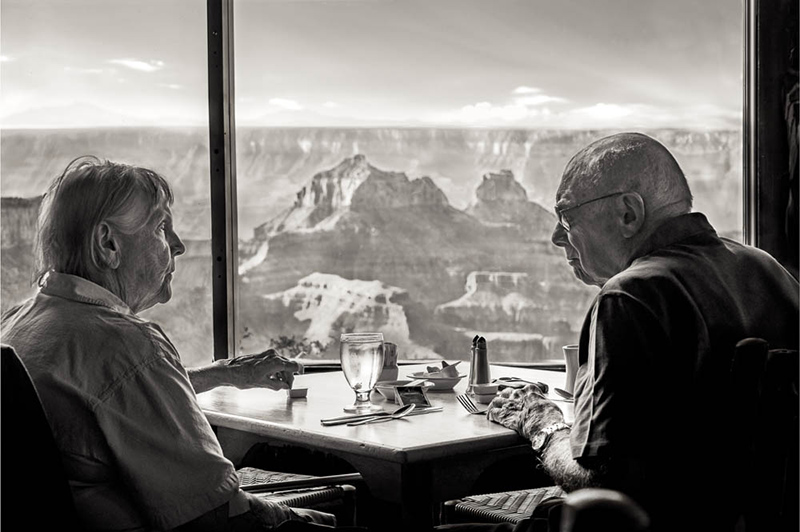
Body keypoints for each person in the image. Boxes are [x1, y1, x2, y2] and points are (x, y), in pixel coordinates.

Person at [0, 156, 337, 531]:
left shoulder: (19, 324)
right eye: (162, 226)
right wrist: (305, 516)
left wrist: (225, 374)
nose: (178, 245)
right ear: (108, 244)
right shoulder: (127, 345)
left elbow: (113, 398)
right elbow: (217, 515)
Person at [486, 132, 799, 532]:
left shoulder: (630, 297)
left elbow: (604, 485)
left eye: (567, 217)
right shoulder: (769, 271)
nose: (556, 237)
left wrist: (541, 424)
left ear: (629, 213)